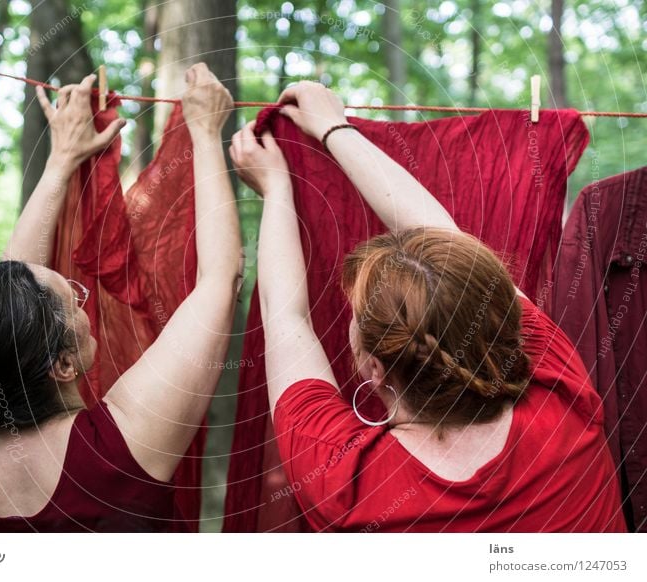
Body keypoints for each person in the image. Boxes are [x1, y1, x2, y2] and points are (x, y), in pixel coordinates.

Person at [229, 81, 626, 532]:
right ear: (498, 322)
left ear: (374, 369)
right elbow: (446, 237)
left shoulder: (344, 483)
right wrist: (334, 128)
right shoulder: (561, 398)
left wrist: (277, 188)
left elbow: (285, 318)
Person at [0, 64, 241, 532]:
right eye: (75, 298)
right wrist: (204, 133)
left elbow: (7, 297)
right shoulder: (116, 449)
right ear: (62, 365)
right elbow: (220, 280)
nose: (85, 297)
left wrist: (62, 159)